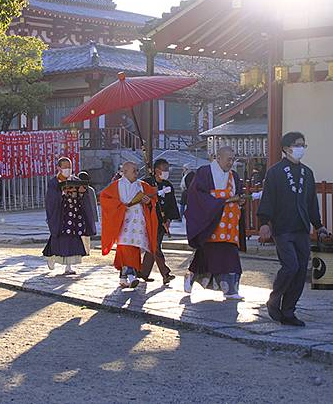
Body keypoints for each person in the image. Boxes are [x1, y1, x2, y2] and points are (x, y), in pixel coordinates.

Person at [258, 132, 328, 326]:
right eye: (298, 145)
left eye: (304, 145)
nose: (302, 148)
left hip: (302, 228)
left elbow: (312, 203)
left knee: (300, 271)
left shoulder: (307, 172)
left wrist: (319, 225)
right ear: (287, 148)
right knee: (291, 266)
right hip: (283, 228)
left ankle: (288, 311)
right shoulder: (274, 172)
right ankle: (274, 300)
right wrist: (264, 222)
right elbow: (268, 199)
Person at [184, 146, 246, 300]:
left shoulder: (234, 176)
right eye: (228, 159)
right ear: (218, 157)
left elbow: (238, 194)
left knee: (227, 254)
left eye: (233, 159)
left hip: (229, 223)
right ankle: (195, 277)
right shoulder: (205, 172)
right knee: (211, 253)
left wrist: (240, 201)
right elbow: (197, 195)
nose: (230, 163)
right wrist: (224, 201)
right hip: (210, 221)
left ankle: (229, 288)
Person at [100, 161, 158, 288]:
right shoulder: (116, 186)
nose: (137, 173)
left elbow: (153, 198)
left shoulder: (142, 185)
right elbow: (104, 198)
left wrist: (148, 202)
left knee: (133, 248)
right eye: (134, 171)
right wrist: (120, 207)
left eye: (137, 170)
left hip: (138, 224)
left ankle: (123, 277)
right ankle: (132, 276)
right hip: (123, 223)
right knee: (126, 248)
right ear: (125, 172)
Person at [42, 157, 96, 275]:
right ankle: (51, 256)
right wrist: (62, 192)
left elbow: (83, 195)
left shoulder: (75, 179)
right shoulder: (54, 182)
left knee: (73, 239)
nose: (68, 169)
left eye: (69, 167)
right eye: (65, 167)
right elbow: (51, 198)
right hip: (61, 215)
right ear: (59, 168)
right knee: (58, 237)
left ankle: (68, 266)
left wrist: (82, 191)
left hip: (74, 214)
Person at [140, 159, 179, 285]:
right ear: (157, 170)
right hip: (149, 220)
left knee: (154, 246)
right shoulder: (147, 183)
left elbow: (172, 204)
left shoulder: (168, 185)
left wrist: (168, 220)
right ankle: (165, 273)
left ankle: (143, 272)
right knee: (155, 246)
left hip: (162, 222)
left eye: (168, 169)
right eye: (164, 169)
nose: (167, 172)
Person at [77, 170, 98, 255]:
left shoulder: (90, 190)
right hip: (79, 214)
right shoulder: (76, 189)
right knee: (80, 233)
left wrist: (95, 216)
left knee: (87, 233)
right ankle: (82, 249)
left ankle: (86, 250)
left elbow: (93, 204)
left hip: (87, 214)